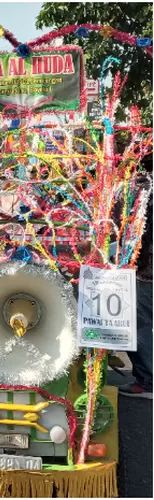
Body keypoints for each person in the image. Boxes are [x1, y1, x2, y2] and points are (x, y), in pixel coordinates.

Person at [117, 156, 152, 399]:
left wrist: (128, 263)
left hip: (144, 273)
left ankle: (147, 381)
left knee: (140, 327)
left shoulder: (142, 191)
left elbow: (139, 233)